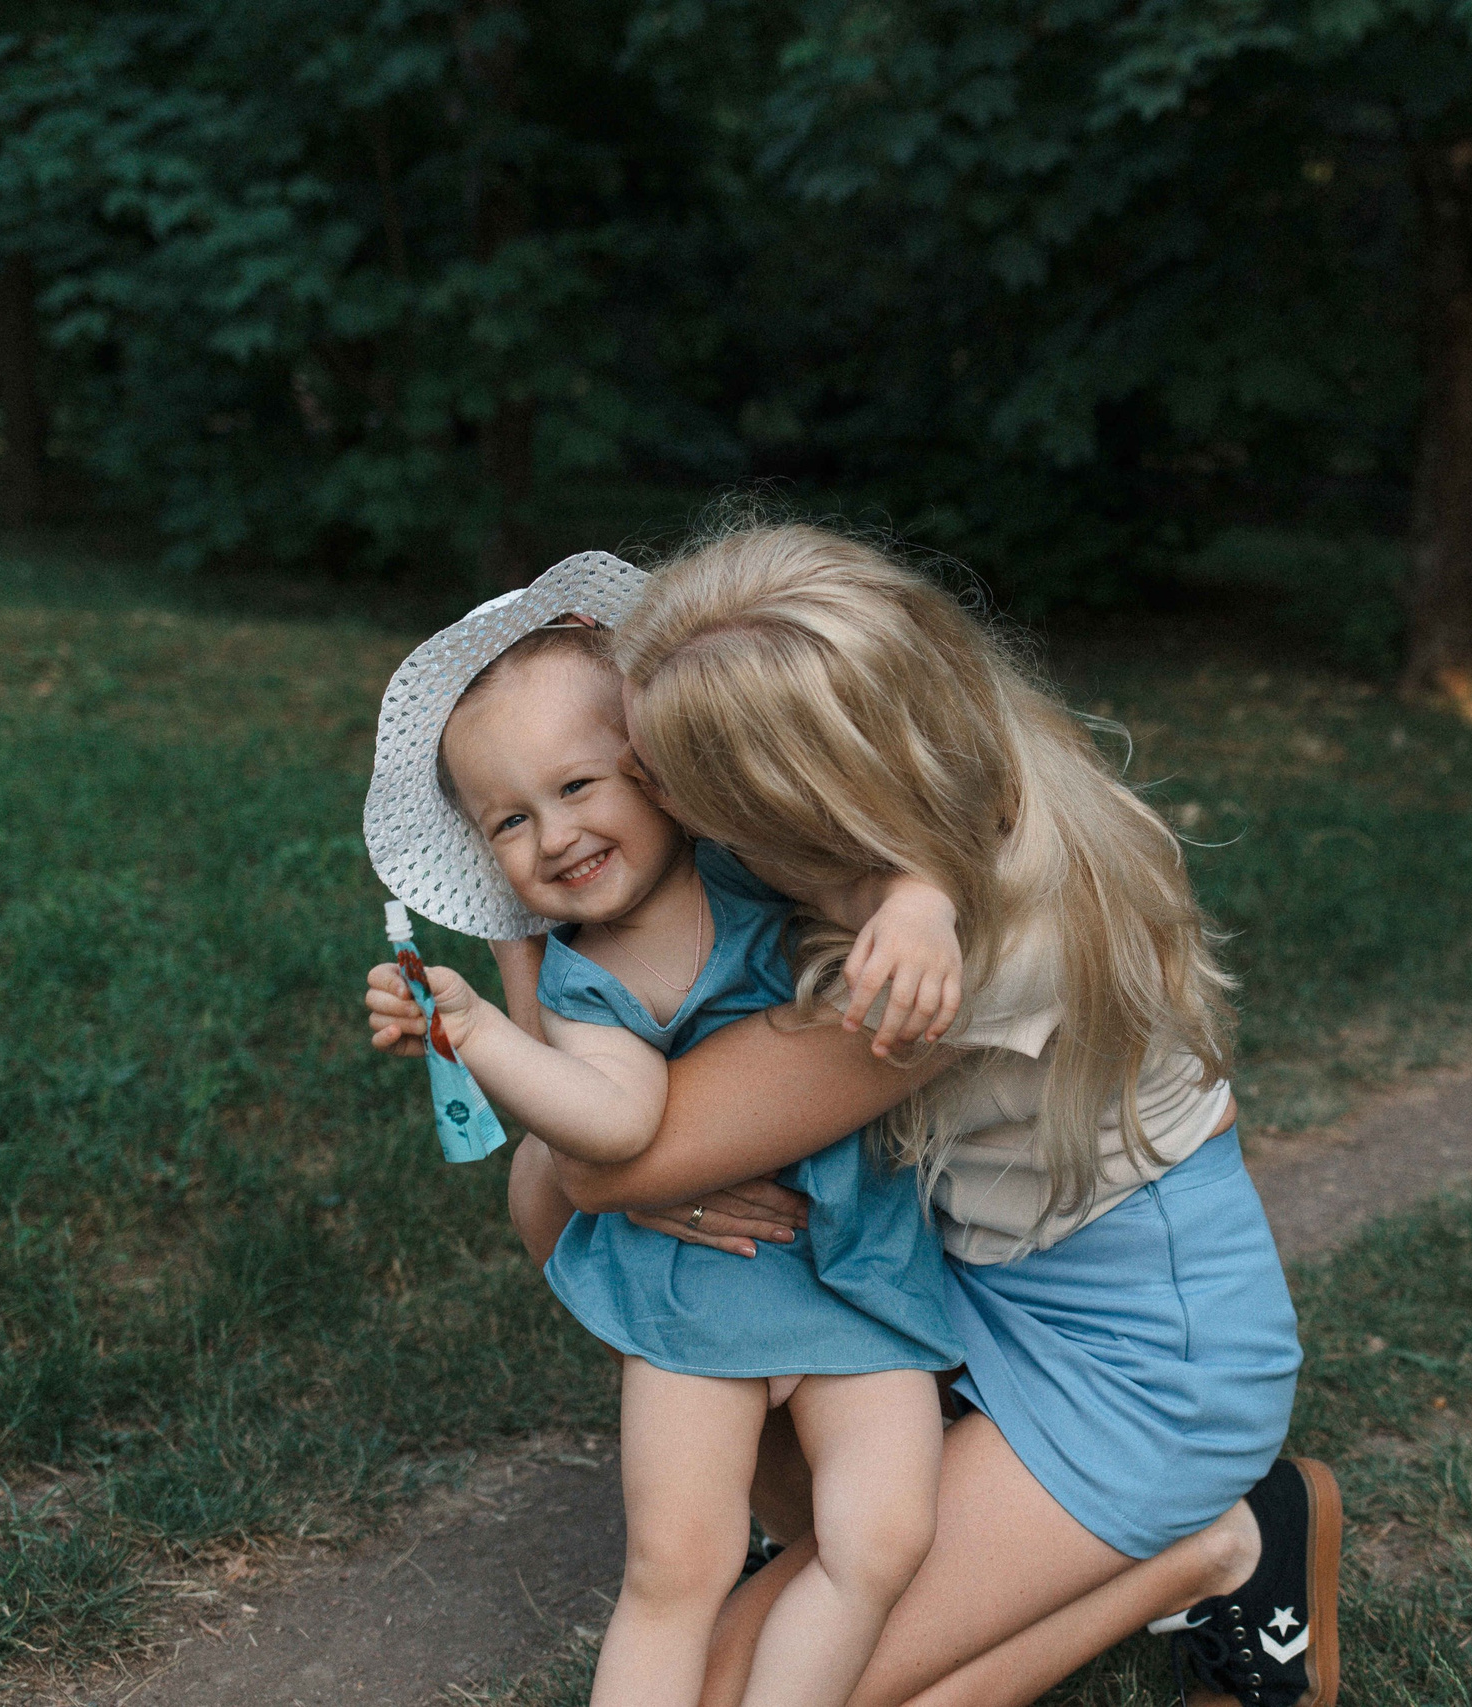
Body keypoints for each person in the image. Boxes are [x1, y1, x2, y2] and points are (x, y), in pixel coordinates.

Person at [503, 522, 1341, 1707]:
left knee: (760, 1692)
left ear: (794, 811)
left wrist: (625, 1145)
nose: (651, 812)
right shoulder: (929, 790)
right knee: (552, 1187)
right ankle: (854, 1543)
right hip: (953, 1274)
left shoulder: (955, 962)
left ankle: (1220, 1548)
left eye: (663, 784)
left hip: (1141, 1363)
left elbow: (599, 1168)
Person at [361, 566, 979, 1707]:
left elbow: (883, 857)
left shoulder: (762, 864)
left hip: (858, 1266)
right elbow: (614, 1119)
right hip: (698, 1286)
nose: (554, 836)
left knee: (881, 1540)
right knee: (675, 1567)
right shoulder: (588, 980)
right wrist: (481, 1031)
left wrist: (919, 903)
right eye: (508, 820)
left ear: (656, 764)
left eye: (578, 783)